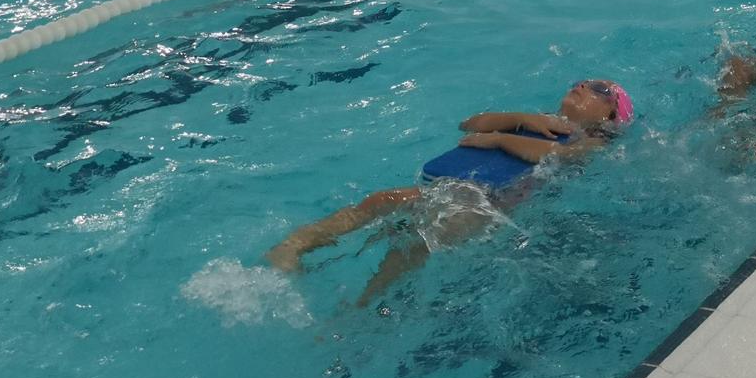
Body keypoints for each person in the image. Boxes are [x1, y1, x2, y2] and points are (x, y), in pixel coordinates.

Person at [264, 78, 634, 301]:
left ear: (610, 116)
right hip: (457, 189)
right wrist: (519, 120)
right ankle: (293, 246)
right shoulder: (537, 121)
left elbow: (553, 155)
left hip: (488, 205)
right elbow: (469, 123)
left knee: (413, 243)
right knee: (382, 201)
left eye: (600, 89)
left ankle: (362, 312)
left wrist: (497, 141)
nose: (584, 86)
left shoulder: (593, 142)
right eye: (583, 81)